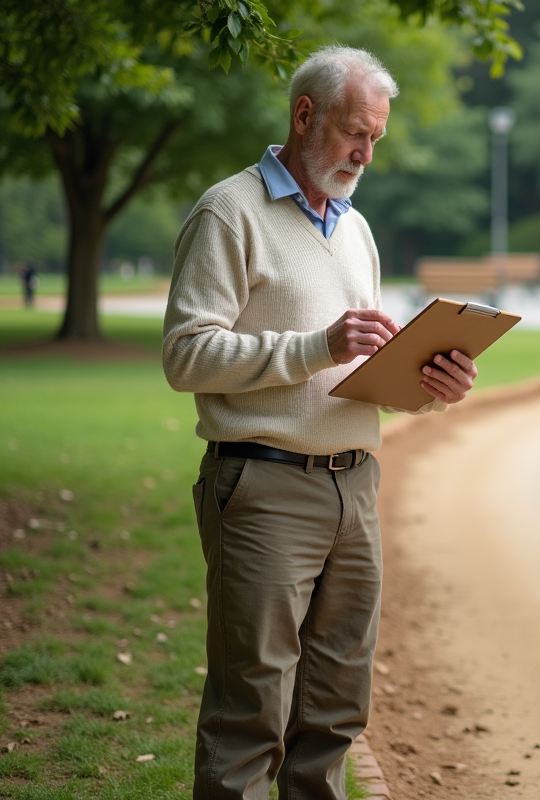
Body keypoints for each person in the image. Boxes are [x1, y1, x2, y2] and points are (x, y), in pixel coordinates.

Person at [162, 46, 478, 800]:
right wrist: (317, 345)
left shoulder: (356, 229)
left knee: (334, 710)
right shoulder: (228, 212)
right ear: (305, 115)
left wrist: (430, 385)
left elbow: (353, 376)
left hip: (355, 488)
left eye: (377, 139)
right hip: (264, 486)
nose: (367, 153)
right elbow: (185, 356)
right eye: (354, 132)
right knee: (252, 713)